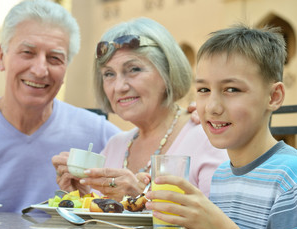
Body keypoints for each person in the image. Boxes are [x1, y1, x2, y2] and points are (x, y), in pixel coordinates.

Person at [0, 0, 120, 213]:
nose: (39, 70)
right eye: (27, 52)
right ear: (1, 57)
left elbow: (140, 202)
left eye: (54, 58)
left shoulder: (103, 136)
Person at [146, 23, 297, 229]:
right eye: (204, 90)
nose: (212, 107)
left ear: (274, 96)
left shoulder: (293, 180)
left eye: (231, 89)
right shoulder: (221, 176)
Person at [52, 17, 228, 201]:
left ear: (167, 71)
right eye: (109, 74)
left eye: (134, 69)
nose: (119, 86)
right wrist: (83, 198)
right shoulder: (115, 145)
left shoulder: (208, 138)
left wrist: (141, 200)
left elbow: (224, 226)